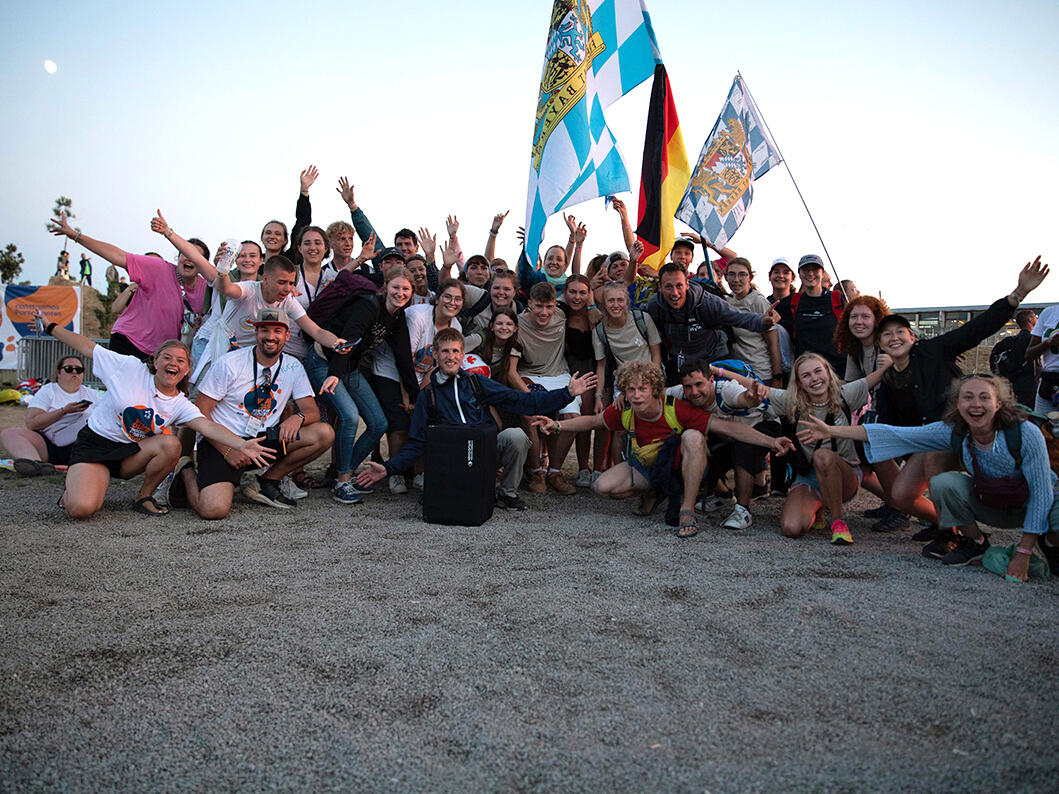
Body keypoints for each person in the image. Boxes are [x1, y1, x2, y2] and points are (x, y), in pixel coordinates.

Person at [798, 374, 1059, 580]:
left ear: (998, 404)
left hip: (1035, 504)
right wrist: (831, 430)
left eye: (984, 398)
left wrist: (1024, 552)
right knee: (947, 484)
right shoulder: (955, 431)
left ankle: (1047, 540)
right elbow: (895, 433)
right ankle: (976, 542)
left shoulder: (1025, 433)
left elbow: (1042, 493)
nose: (976, 405)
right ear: (958, 404)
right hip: (992, 503)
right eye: (968, 397)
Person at [873, 256, 1049, 549]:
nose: (893, 338)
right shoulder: (889, 378)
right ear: (879, 344)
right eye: (886, 335)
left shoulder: (934, 350)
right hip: (932, 439)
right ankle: (943, 522)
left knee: (932, 454)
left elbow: (976, 329)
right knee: (901, 495)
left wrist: (1017, 295)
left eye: (899, 332)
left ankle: (953, 535)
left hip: (963, 433)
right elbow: (893, 426)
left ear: (912, 337)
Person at [37, 317, 272, 519]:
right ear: (155, 361)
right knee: (82, 509)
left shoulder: (179, 403)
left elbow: (206, 426)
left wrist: (241, 444)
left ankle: (143, 497)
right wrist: (51, 328)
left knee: (172, 444)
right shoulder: (128, 368)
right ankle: (77, 487)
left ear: (187, 370)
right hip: (95, 446)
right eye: (167, 357)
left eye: (181, 361)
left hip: (130, 454)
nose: (173, 363)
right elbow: (88, 347)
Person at [536, 360, 790, 538]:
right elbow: (594, 421)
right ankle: (657, 491)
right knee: (602, 487)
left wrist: (771, 442)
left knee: (693, 437)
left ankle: (687, 509)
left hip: (681, 467)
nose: (636, 395)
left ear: (654, 389)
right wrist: (556, 425)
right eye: (630, 389)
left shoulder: (676, 407)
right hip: (646, 465)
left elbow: (728, 428)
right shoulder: (624, 409)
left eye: (642, 389)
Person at [356, 328, 598, 511]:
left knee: (515, 436)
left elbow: (521, 401)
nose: (450, 357)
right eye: (445, 351)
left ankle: (507, 493)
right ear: (435, 354)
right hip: (451, 462)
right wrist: (388, 469)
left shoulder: (475, 382)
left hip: (483, 454)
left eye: (455, 351)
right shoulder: (427, 396)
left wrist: (567, 393)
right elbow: (417, 442)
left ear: (463, 354)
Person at [173, 309, 334, 518]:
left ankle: (266, 481)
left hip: (264, 439)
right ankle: (185, 468)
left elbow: (311, 410)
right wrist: (229, 450)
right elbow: (200, 412)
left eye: (277, 331)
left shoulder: (293, 366)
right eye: (264, 330)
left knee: (324, 433)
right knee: (213, 510)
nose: (270, 337)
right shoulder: (230, 363)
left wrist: (298, 417)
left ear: (286, 335)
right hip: (225, 441)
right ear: (255, 333)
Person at [307, 266, 418, 503]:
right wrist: (335, 373)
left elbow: (404, 359)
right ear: (386, 286)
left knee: (379, 423)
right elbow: (348, 339)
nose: (400, 293)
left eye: (406, 289)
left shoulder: (397, 317)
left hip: (350, 367)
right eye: (396, 287)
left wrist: (416, 395)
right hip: (325, 361)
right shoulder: (368, 305)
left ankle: (344, 474)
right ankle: (343, 482)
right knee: (350, 416)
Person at [48, 211, 208, 362]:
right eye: (184, 253)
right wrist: (76, 235)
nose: (188, 258)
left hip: (161, 355)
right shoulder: (158, 268)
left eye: (195, 256)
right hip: (130, 342)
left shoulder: (207, 289)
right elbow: (118, 256)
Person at [768, 352, 892, 545]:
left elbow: (872, 379)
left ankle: (838, 522)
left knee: (823, 456)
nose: (815, 378)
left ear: (827, 372)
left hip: (845, 474)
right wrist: (719, 370)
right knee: (792, 528)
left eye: (818, 371)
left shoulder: (845, 394)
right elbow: (758, 389)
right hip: (809, 477)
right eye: (806, 375)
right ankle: (819, 506)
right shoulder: (792, 401)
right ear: (799, 383)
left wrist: (887, 364)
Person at [674, 361, 786, 529]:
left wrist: (752, 398)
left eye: (699, 384)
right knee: (696, 442)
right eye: (688, 387)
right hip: (730, 432)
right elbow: (657, 394)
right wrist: (625, 395)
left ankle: (743, 510)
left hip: (761, 424)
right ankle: (723, 495)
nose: (694, 392)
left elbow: (743, 398)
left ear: (711, 379)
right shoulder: (682, 393)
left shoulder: (726, 389)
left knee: (744, 448)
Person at [645, 263, 778, 384]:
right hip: (681, 362)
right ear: (660, 288)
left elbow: (738, 317)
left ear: (687, 284)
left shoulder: (707, 302)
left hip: (714, 358)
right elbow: (637, 320)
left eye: (679, 286)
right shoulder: (655, 306)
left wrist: (763, 321)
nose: (675, 293)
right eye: (668, 287)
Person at [511, 282, 584, 495]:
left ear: (555, 305)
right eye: (539, 306)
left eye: (549, 307)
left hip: (558, 374)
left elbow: (585, 294)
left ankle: (554, 471)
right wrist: (530, 399)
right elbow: (511, 370)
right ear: (530, 304)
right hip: (529, 375)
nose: (544, 312)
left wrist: (592, 309)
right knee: (530, 416)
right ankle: (536, 471)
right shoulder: (518, 324)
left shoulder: (562, 314)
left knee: (571, 416)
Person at [1, 356, 100, 475]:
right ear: (59, 372)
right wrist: (63, 411)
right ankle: (35, 464)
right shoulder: (48, 391)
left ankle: (67, 466)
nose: (74, 372)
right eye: (69, 369)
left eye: (79, 370)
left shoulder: (93, 394)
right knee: (10, 433)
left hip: (82, 444)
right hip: (50, 444)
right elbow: (32, 423)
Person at [775, 254, 846, 374]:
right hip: (806, 372)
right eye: (806, 270)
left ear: (822, 273)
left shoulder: (837, 299)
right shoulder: (792, 301)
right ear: (799, 274)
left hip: (837, 370)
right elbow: (766, 315)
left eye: (815, 269)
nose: (810, 273)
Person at [723, 257, 782, 387]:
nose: (736, 279)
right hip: (738, 373)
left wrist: (777, 377)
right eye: (732, 274)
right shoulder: (726, 302)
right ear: (725, 277)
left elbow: (773, 343)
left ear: (750, 277)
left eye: (742, 274)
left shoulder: (758, 301)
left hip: (760, 373)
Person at [988, 308, 1037, 407]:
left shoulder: (1008, 341)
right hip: (1029, 385)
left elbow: (994, 359)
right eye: (1036, 317)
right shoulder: (1033, 341)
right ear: (1030, 320)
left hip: (1012, 383)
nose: (1037, 319)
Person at [1023, 305, 1059, 414]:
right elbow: (1029, 355)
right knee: (1042, 427)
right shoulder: (1049, 312)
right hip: (1049, 382)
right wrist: (1048, 343)